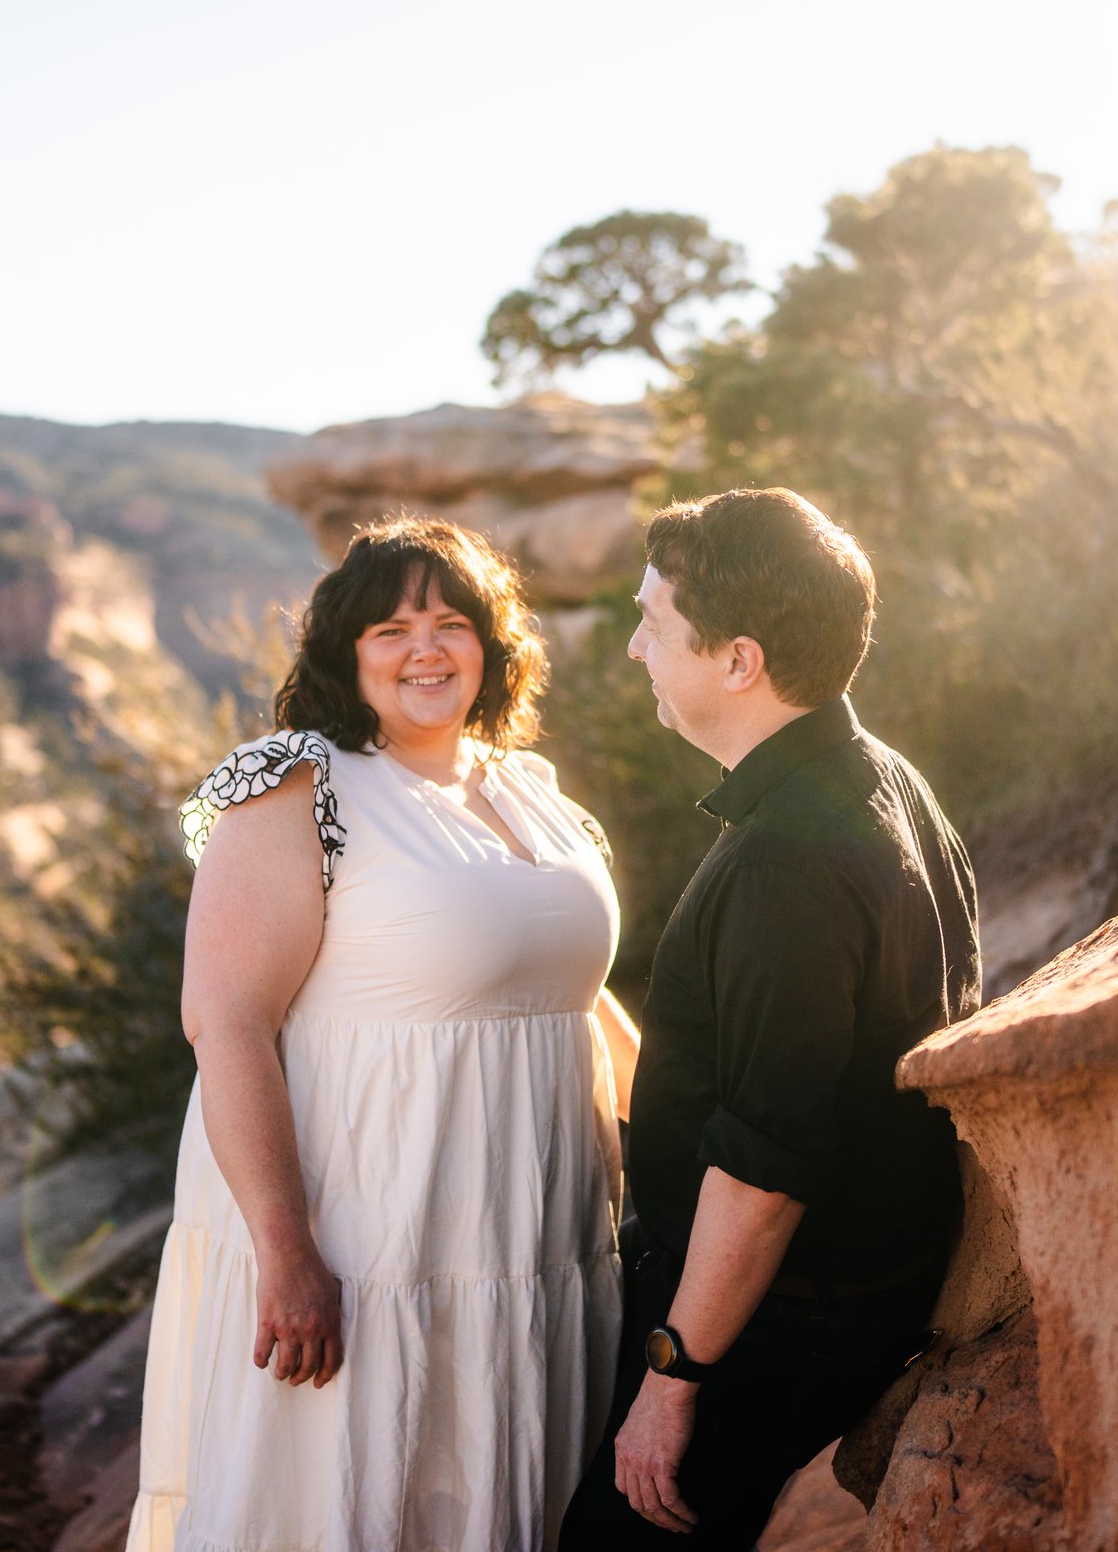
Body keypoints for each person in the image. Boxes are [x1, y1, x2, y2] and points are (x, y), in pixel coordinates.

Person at [127, 517, 641, 1552]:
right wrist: (287, 1250)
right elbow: (224, 1019)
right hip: (370, 1240)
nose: (426, 648)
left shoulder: (527, 789)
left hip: (535, 1234)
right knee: (351, 1498)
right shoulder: (297, 781)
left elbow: (578, 994)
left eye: (453, 622)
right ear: (343, 654)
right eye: (390, 629)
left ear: (491, 646)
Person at [562, 488, 981, 1549]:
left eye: (654, 624)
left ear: (737, 660)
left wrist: (674, 1376)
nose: (631, 647)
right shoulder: (884, 775)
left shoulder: (784, 857)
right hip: (838, 1298)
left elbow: (766, 1166)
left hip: (770, 1325)